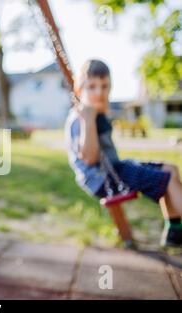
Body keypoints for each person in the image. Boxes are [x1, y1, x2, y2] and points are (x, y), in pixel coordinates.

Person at [65, 59, 182, 247]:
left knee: (171, 169)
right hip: (102, 177)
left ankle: (174, 231)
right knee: (167, 179)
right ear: (79, 90)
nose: (99, 92)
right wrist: (88, 119)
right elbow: (89, 158)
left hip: (114, 168)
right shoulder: (82, 116)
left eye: (105, 86)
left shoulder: (95, 112)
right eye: (92, 87)